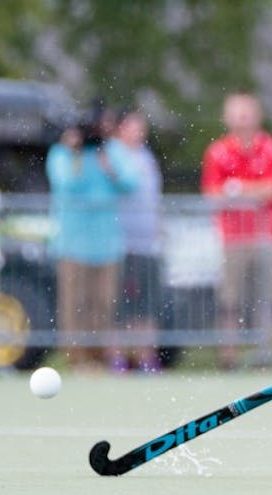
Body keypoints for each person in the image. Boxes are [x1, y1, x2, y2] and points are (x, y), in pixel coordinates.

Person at [201, 93, 272, 370]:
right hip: (231, 239)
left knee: (265, 298)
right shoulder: (217, 151)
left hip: (266, 236)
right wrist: (250, 191)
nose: (242, 119)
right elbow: (212, 194)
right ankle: (229, 357)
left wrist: (236, 188)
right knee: (230, 300)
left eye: (246, 112)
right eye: (236, 113)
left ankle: (264, 355)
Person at [47, 113, 138, 374]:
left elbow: (131, 182)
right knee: (74, 304)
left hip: (107, 244)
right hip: (72, 244)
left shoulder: (112, 150)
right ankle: (77, 360)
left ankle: (100, 358)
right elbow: (66, 183)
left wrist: (106, 163)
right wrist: (75, 151)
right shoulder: (61, 154)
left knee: (104, 303)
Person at [113, 109, 164, 373]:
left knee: (146, 304)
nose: (139, 132)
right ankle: (120, 357)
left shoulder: (146, 156)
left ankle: (146, 356)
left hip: (147, 245)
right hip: (123, 244)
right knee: (122, 306)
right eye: (134, 126)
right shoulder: (113, 154)